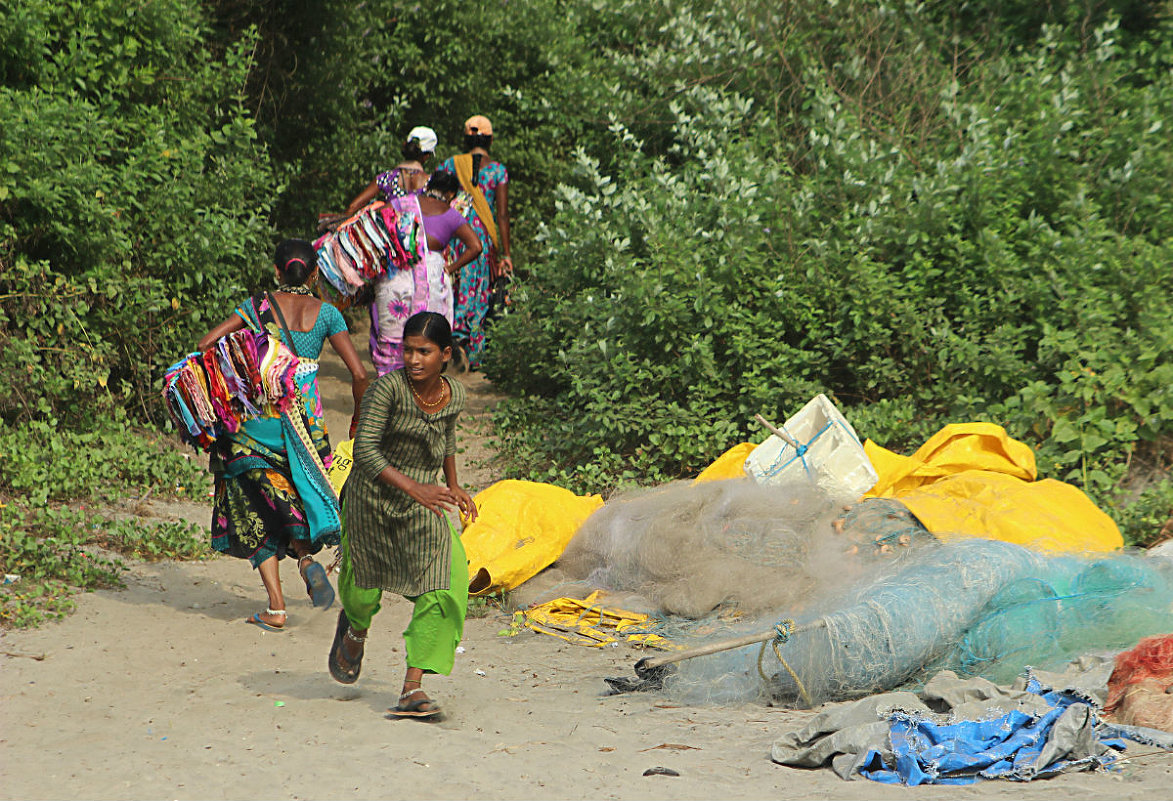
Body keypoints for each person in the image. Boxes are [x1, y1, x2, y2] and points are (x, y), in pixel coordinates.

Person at [197, 239, 370, 631]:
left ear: (277, 272)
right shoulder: (327, 314)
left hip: (258, 417)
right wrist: (358, 420)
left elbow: (205, 343)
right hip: (306, 426)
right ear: (313, 275)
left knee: (250, 497)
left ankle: (277, 604)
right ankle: (306, 558)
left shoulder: (258, 306)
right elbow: (360, 374)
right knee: (295, 491)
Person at [328, 311, 478, 720]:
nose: (413, 359)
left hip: (425, 502)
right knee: (364, 586)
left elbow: (445, 437)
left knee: (447, 582)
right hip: (371, 502)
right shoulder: (385, 392)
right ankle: (355, 628)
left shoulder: (454, 395)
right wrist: (415, 487)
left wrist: (453, 483)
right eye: (408, 350)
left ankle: (413, 687)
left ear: (445, 355)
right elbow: (364, 451)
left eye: (424, 352)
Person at [369, 171, 482, 375]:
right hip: (430, 285)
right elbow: (476, 246)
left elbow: (376, 222)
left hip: (395, 282)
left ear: (429, 185)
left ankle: (389, 388)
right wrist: (450, 268)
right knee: (426, 340)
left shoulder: (403, 203)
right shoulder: (452, 214)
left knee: (393, 342)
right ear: (450, 194)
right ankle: (421, 391)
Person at [437, 114, 512, 369]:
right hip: (481, 240)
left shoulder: (451, 164)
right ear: (490, 140)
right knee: (479, 291)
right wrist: (506, 254)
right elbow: (502, 215)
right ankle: (474, 353)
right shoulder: (498, 171)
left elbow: (436, 196)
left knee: (453, 287)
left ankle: (449, 343)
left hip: (456, 234)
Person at [344, 125, 438, 214]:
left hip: (390, 229)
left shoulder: (387, 178)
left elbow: (353, 206)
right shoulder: (432, 183)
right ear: (426, 156)